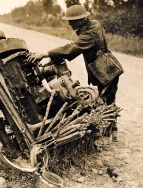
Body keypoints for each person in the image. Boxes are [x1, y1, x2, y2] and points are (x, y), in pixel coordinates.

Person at [26, 5, 123, 141]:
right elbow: (78, 48)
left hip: (107, 70)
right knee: (107, 99)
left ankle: (109, 135)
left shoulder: (92, 30)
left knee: (107, 100)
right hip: (101, 70)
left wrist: (45, 53)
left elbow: (74, 47)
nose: (69, 23)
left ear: (81, 19)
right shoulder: (88, 27)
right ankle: (112, 132)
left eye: (72, 20)